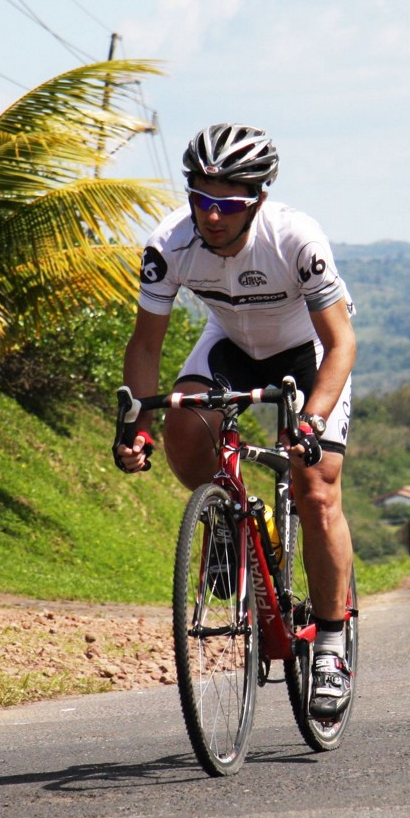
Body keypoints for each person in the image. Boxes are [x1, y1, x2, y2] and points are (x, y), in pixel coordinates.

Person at [115, 123, 358, 718]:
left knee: (316, 489)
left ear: (258, 201)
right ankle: (229, 524)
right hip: (229, 343)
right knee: (183, 426)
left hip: (309, 352)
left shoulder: (295, 239)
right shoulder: (169, 244)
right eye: (201, 199)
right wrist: (136, 425)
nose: (211, 215)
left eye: (226, 204)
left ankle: (329, 643)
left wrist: (312, 420)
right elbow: (146, 348)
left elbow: (341, 343)